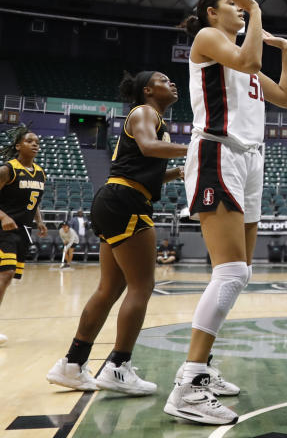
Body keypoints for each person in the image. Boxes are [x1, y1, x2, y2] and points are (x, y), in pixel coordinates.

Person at [164, 0, 287, 424]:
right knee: (232, 270)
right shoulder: (208, 40)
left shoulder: (242, 60)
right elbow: (248, 57)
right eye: (232, 6)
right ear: (210, 14)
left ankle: (204, 367)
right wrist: (256, 9)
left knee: (241, 272)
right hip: (216, 150)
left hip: (250, 159)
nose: (239, 11)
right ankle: (188, 384)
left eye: (242, 7)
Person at [47, 71, 188, 395]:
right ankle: (117, 367)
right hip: (126, 201)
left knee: (109, 289)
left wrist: (176, 172)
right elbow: (150, 148)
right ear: (148, 90)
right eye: (165, 80)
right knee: (142, 286)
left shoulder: (154, 120)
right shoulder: (144, 112)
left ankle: (72, 364)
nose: (173, 83)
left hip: (115, 199)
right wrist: (196, 149)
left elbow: (145, 168)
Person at [0, 125, 48, 347]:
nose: (35, 144)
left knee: (8, 278)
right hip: (4, 229)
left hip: (23, 231)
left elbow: (34, 200)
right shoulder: (7, 170)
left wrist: (39, 221)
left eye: (37, 141)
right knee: (6, 274)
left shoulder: (40, 172)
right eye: (30, 141)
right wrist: (3, 217)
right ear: (18, 145)